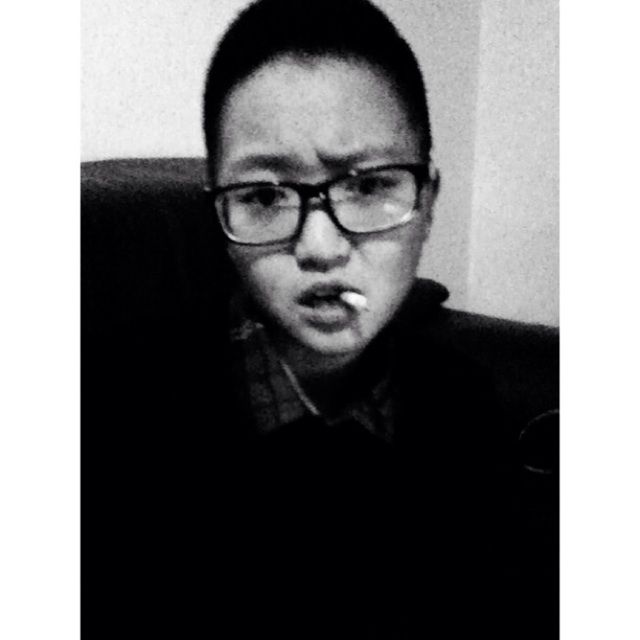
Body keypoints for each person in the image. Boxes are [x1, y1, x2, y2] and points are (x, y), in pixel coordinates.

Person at [83, 0, 554, 637]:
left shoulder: (461, 400)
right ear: (218, 216)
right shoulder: (109, 415)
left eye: (368, 185)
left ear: (427, 202)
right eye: (264, 196)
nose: (321, 247)